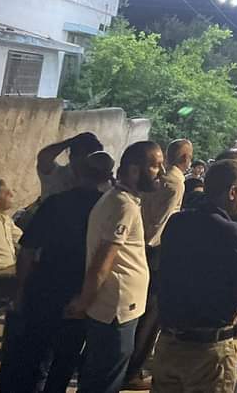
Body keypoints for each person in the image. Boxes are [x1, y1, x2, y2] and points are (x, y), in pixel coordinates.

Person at [0, 152, 113, 393]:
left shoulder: (56, 203)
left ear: (77, 172)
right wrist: (88, 297)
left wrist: (20, 291)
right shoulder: (107, 208)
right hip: (80, 291)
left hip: (45, 286)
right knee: (65, 359)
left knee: (33, 355)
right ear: (108, 176)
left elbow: (28, 250)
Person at [151, 159, 237, 392]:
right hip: (208, 350)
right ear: (232, 192)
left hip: (169, 345)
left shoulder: (176, 222)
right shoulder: (231, 231)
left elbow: (191, 266)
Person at [65, 141, 162, 393]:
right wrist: (84, 301)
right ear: (134, 170)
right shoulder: (123, 205)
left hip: (113, 307)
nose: (161, 172)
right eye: (155, 166)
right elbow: (103, 261)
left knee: (98, 375)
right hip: (116, 309)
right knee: (106, 379)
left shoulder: (120, 198)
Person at [125, 138, 191, 389]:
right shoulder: (175, 183)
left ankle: (129, 366)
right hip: (155, 250)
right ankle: (133, 371)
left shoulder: (159, 181)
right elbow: (160, 223)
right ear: (185, 159)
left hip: (143, 247)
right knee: (150, 316)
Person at [36, 131, 104, 201]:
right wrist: (73, 141)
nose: (86, 162)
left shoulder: (100, 183)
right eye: (83, 155)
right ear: (72, 156)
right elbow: (44, 157)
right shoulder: (57, 175)